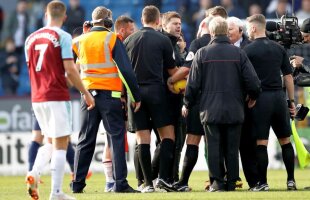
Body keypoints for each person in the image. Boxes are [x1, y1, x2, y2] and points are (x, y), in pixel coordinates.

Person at [24, 1, 95, 200]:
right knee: (62, 143)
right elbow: (70, 69)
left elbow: (35, 70)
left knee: (50, 140)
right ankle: (56, 192)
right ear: (64, 17)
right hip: (56, 95)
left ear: (46, 14)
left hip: (37, 97)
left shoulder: (30, 39)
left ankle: (34, 174)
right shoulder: (62, 36)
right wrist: (86, 93)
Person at [184, 16, 261, 192]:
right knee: (232, 149)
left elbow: (193, 84)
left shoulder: (202, 53)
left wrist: (187, 103)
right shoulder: (239, 53)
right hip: (235, 109)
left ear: (211, 32)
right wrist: (252, 96)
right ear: (226, 32)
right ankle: (232, 182)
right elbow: (254, 82)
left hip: (210, 110)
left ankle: (217, 183)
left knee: (213, 148)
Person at [71, 6, 141, 193]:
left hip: (87, 97)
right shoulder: (111, 38)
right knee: (116, 139)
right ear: (109, 21)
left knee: (85, 140)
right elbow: (126, 70)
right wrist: (135, 95)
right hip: (110, 96)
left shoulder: (78, 41)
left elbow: (72, 68)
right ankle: (120, 184)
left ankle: (77, 184)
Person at [124, 5, 177, 192]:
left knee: (142, 139)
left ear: (142, 19)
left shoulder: (129, 40)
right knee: (168, 135)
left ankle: (146, 184)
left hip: (134, 94)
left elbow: (123, 72)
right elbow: (172, 70)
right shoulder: (163, 40)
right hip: (156, 91)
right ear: (158, 21)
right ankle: (163, 179)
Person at [244, 14, 297, 191]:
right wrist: (291, 101)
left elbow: (246, 79)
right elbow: (288, 77)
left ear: (253, 28)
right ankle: (291, 181)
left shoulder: (248, 50)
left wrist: (249, 97)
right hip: (279, 98)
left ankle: (263, 183)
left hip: (261, 99)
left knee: (261, 143)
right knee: (285, 141)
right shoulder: (278, 48)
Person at [101, 15, 136, 192]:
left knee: (113, 138)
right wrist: (125, 95)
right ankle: (110, 181)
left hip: (105, 94)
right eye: (131, 30)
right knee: (113, 139)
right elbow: (122, 72)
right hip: (114, 96)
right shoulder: (115, 43)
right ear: (122, 30)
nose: (134, 33)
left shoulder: (110, 42)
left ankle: (111, 181)